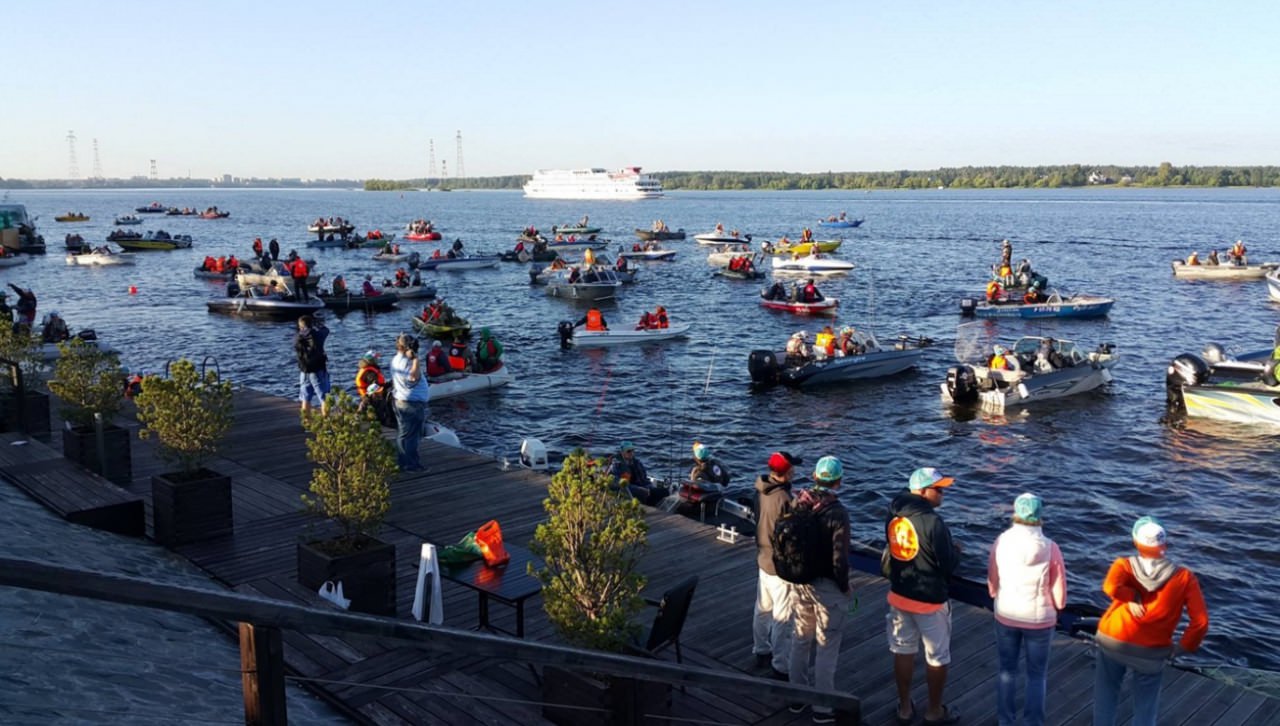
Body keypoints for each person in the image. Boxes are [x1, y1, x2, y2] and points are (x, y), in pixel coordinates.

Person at [1092, 516, 1208, 726]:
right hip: (1151, 652)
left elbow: (1110, 587)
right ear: (1164, 544)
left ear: (1136, 542)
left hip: (1113, 640)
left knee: (1106, 697)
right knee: (1145, 708)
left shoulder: (1124, 565)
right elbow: (1200, 622)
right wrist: (1182, 647)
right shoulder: (1184, 577)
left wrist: (1132, 596)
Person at [885, 467, 962, 726]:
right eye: (938, 489)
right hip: (930, 600)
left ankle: (905, 708)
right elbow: (946, 564)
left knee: (902, 650)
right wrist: (956, 551)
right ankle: (934, 711)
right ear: (921, 491)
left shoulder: (893, 512)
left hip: (900, 593)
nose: (942, 494)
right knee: (937, 657)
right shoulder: (933, 522)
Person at [987, 493, 1066, 726]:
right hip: (1039, 620)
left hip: (1006, 614)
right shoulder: (1051, 548)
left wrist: (997, 595)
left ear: (1015, 513)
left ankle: (1005, 720)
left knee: (1007, 671)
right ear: (1040, 515)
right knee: (1037, 675)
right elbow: (1060, 596)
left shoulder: (1001, 541)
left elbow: (992, 582)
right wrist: (1057, 608)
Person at [785, 456, 851, 723]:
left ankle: (797, 697)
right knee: (826, 645)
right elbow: (839, 560)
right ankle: (822, 709)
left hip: (800, 581)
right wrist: (845, 587)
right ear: (838, 481)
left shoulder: (799, 501)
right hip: (827, 587)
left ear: (814, 477)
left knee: (800, 639)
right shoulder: (837, 513)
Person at [752, 451, 802, 680]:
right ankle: (780, 665)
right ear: (786, 472)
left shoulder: (760, 490)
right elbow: (792, 534)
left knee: (762, 608)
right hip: (780, 565)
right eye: (792, 468)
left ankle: (761, 648)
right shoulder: (784, 498)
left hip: (763, 557)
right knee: (782, 616)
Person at [390, 333, 430, 472]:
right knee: (413, 436)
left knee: (403, 434)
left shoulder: (395, 359)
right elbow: (413, 378)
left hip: (400, 401)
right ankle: (412, 465)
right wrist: (415, 359)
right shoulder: (406, 362)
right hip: (412, 404)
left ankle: (402, 462)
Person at [294, 314, 329, 416]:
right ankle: (327, 422)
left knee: (305, 399)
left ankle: (306, 422)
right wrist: (318, 324)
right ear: (311, 324)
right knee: (324, 398)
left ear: (300, 326)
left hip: (304, 371)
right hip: (318, 370)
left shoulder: (297, 337)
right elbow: (326, 330)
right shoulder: (318, 335)